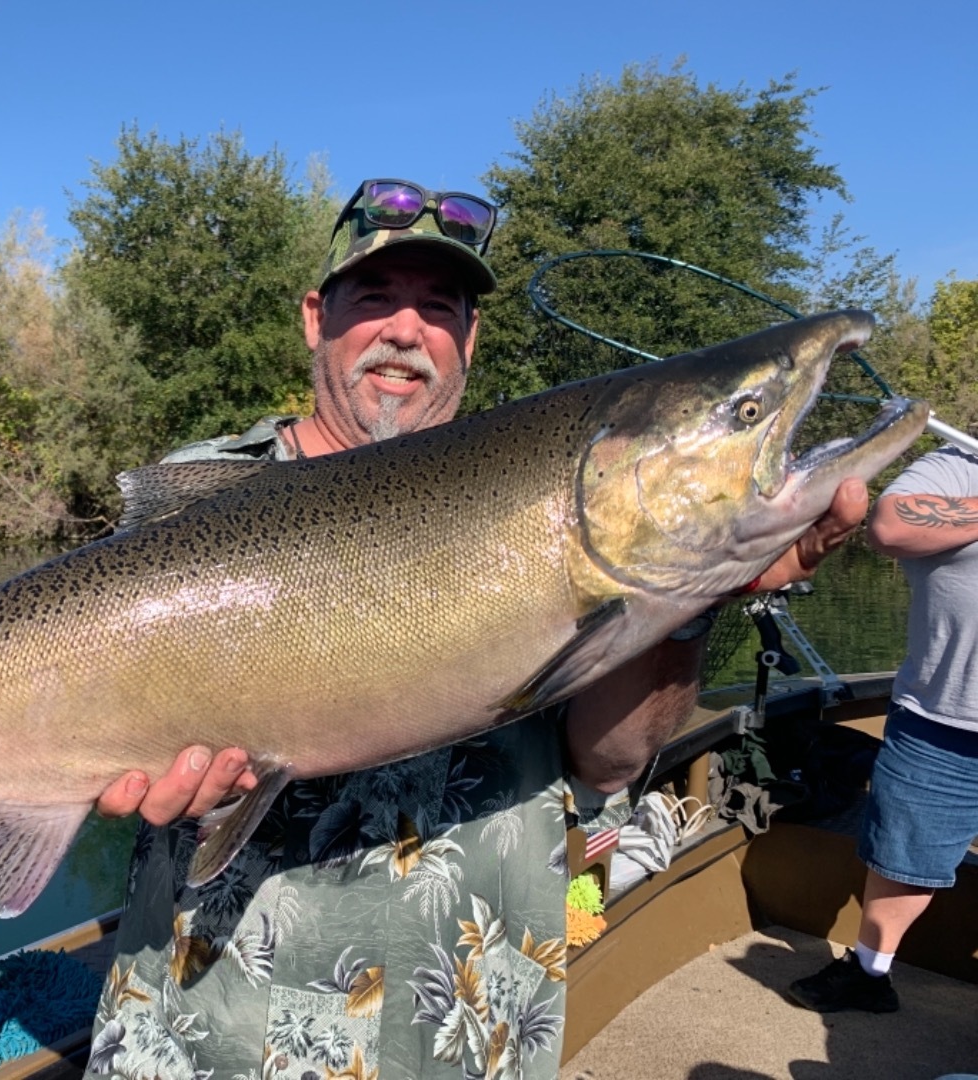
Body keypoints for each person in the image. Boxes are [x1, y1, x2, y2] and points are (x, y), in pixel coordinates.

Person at [85, 178, 869, 1079]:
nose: (405, 331)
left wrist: (690, 602)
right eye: (374, 299)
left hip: (466, 1029)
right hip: (211, 1030)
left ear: (470, 336)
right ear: (315, 318)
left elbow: (612, 764)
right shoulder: (199, 499)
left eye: (439, 308)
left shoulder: (562, 504)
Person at [786, 443, 978, 1014]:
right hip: (943, 720)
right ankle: (870, 973)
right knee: (902, 858)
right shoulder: (957, 465)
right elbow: (889, 526)